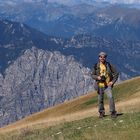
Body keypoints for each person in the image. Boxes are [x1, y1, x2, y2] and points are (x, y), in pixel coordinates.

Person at [91, 52, 119, 118]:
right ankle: (101, 113)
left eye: (104, 57)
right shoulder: (96, 66)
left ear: (106, 58)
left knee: (111, 97)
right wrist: (97, 77)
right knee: (100, 100)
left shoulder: (109, 65)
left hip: (107, 85)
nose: (102, 58)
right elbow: (92, 75)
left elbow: (116, 73)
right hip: (99, 85)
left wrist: (112, 82)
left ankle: (112, 112)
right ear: (99, 57)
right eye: (101, 57)